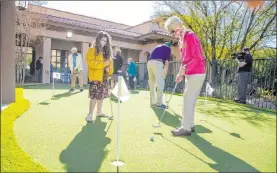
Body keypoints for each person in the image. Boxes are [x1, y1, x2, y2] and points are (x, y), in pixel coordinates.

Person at [164, 16, 206, 136]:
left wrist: (184, 69)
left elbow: (198, 57)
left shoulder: (190, 36)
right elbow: (185, 59)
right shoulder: (182, 40)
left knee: (188, 99)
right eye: (170, 32)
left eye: (172, 31)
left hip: (197, 72)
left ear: (177, 25)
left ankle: (185, 128)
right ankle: (190, 125)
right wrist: (180, 73)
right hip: (191, 72)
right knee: (190, 100)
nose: (172, 34)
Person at [85, 31, 114, 123]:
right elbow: (90, 63)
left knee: (101, 95)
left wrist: (109, 69)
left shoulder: (107, 52)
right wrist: (103, 65)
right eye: (102, 40)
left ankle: (99, 112)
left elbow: (110, 65)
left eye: (105, 41)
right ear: (98, 39)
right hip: (95, 77)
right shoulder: (92, 50)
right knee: (94, 96)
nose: (103, 42)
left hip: (104, 77)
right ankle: (90, 114)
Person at [147, 42, 171, 109]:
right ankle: (159, 104)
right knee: (160, 83)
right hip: (157, 63)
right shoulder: (168, 48)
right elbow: (166, 62)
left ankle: (152, 103)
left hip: (149, 63)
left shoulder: (157, 47)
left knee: (152, 83)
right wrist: (165, 72)